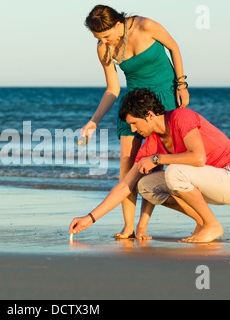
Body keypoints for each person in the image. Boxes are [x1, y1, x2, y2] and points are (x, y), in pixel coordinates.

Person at [70, 89, 230, 243]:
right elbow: (125, 186)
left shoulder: (181, 117)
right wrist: (90, 218)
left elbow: (198, 158)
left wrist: (157, 159)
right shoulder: (151, 144)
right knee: (145, 186)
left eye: (134, 123)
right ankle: (203, 221)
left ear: (149, 114)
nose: (133, 130)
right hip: (207, 184)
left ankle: (212, 225)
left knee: (174, 172)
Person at [81, 5, 189, 239]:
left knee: (154, 165)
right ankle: (128, 225)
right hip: (132, 106)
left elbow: (174, 47)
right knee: (127, 164)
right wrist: (94, 121)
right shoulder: (104, 49)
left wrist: (181, 83)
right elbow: (112, 89)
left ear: (118, 24)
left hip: (163, 100)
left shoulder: (146, 26)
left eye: (106, 37)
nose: (104, 42)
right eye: (98, 39)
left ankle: (143, 226)